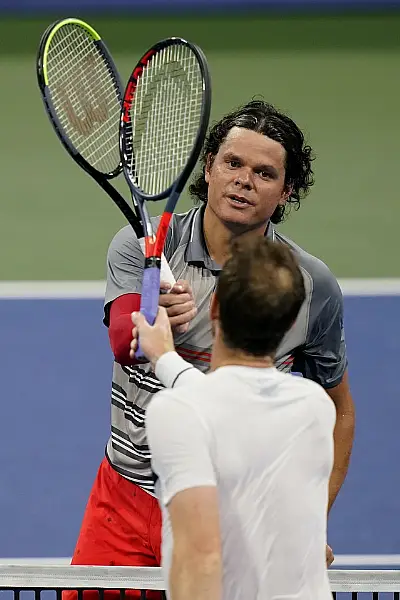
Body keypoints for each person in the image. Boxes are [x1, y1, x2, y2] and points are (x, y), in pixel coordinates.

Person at [69, 100, 354, 589]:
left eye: (265, 173)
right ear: (209, 167)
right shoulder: (144, 247)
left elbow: (339, 410)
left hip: (239, 510)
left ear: (286, 191)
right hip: (126, 501)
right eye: (233, 163)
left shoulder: (308, 284)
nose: (244, 180)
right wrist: (150, 316)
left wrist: (313, 521)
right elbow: (123, 343)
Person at [130, 235, 335, 600]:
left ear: (215, 309)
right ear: (289, 325)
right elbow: (229, 405)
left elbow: (201, 558)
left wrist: (163, 358)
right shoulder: (315, 408)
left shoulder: (177, 412)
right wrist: (164, 358)